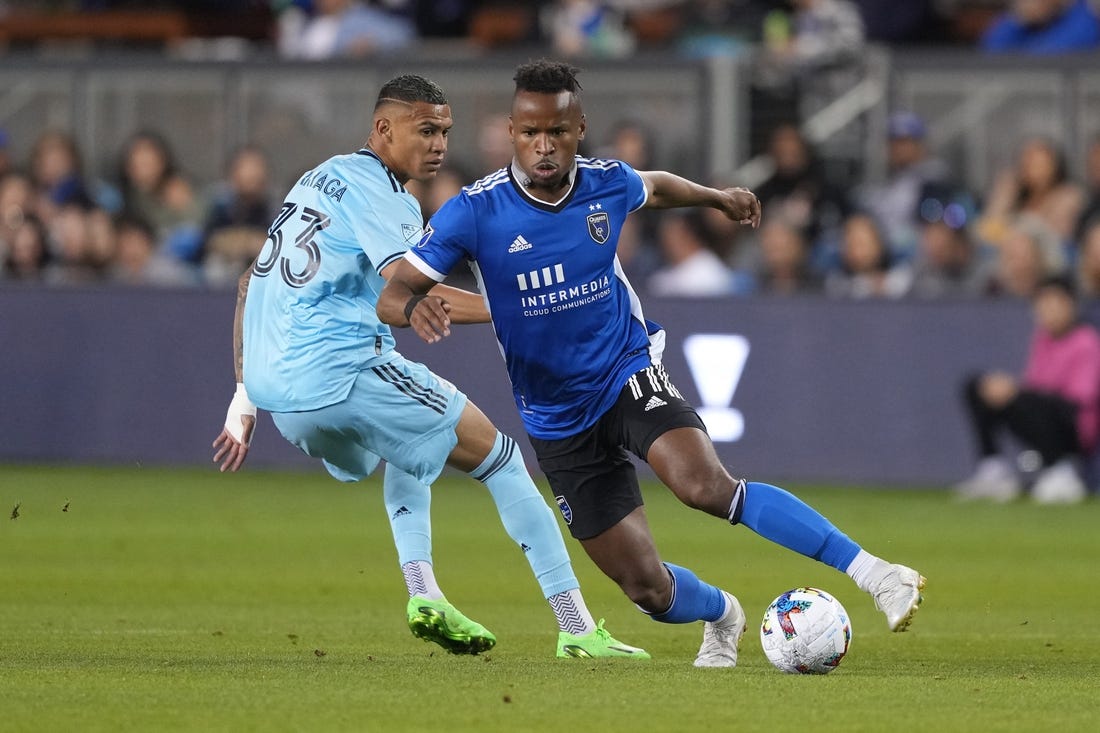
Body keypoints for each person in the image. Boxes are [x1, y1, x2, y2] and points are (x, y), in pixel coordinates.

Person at [378, 59, 926, 668]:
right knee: (645, 589)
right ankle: (724, 615)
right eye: (530, 132)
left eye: (556, 132)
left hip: (625, 371)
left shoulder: (605, 184)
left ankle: (878, 573)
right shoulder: (473, 213)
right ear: (512, 132)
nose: (543, 145)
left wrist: (718, 198)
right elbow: (391, 293)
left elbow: (658, 185)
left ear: (578, 129)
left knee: (705, 487)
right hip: (556, 420)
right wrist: (416, 308)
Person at [211, 73, 645, 660]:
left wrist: (243, 397)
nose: (438, 144)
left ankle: (425, 592)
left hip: (278, 397)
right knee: (502, 458)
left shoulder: (319, 179)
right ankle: (576, 626)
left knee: (409, 448)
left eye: (444, 130)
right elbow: (407, 292)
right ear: (383, 129)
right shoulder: (386, 197)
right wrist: (518, 307)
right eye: (425, 130)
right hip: (341, 374)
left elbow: (247, 282)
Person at [955, 275, 1100, 504]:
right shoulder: (1042, 338)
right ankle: (993, 470)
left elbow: (1078, 401)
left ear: (1071, 304)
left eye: (1054, 303)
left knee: (1021, 397)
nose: (1047, 311)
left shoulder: (1086, 341)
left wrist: (1018, 392)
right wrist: (1008, 390)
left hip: (1076, 428)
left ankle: (1063, 471)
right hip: (1041, 413)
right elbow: (1033, 386)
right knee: (978, 386)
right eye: (1042, 304)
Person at [980, 0, 1100, 55]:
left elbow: (1053, 55)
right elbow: (989, 52)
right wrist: (1017, 20)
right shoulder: (1024, 22)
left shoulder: (1087, 13)